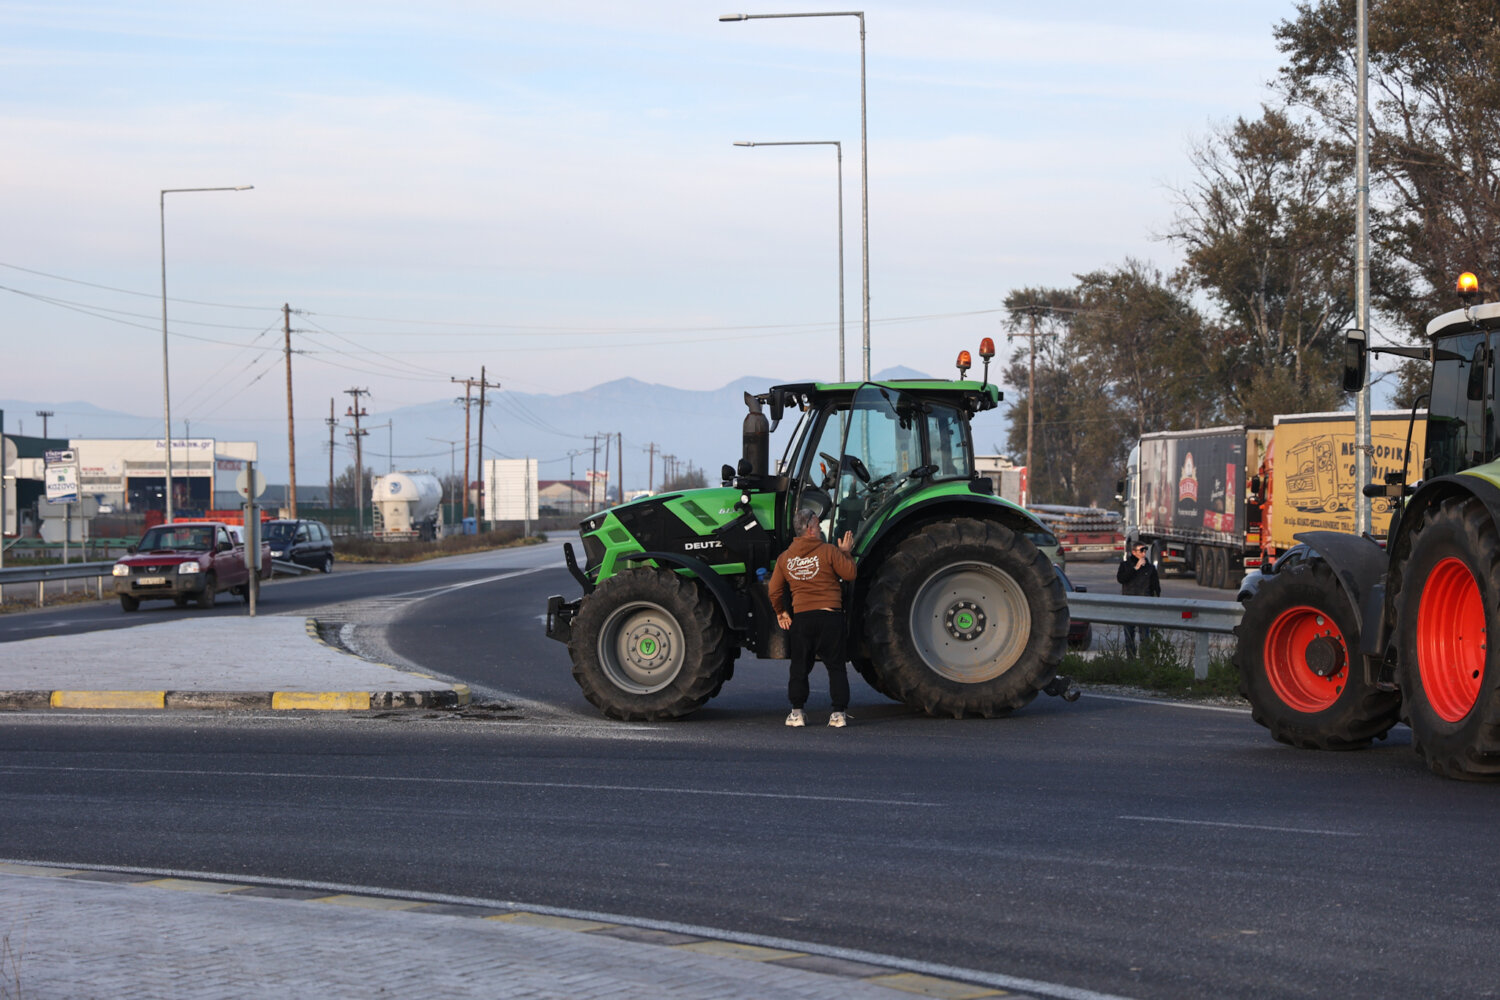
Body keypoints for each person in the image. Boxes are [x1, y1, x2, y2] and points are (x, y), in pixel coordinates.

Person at [768, 507, 858, 728]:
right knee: (836, 666)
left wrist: (781, 612)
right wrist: (846, 552)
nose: (820, 528)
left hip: (802, 620)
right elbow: (850, 574)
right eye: (818, 525)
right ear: (809, 529)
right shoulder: (828, 551)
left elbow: (774, 591)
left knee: (799, 666)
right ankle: (838, 714)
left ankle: (797, 712)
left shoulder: (785, 558)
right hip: (830, 617)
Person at [1117, 539, 1161, 659]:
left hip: (1144, 605)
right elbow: (1121, 579)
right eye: (1141, 550)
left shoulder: (1150, 568)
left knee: (1145, 636)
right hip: (1129, 604)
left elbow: (1156, 588)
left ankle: (1145, 661)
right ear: (1134, 552)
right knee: (1129, 635)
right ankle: (1131, 660)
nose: (1144, 553)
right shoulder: (1125, 566)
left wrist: (1155, 602)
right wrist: (1135, 568)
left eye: (1145, 550)